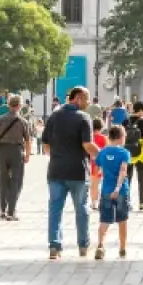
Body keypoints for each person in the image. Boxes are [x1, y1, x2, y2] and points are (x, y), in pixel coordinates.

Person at [44, 85, 98, 260]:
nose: (88, 103)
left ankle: (54, 246)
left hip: (56, 171)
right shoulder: (83, 118)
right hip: (78, 171)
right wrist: (102, 154)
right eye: (87, 99)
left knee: (55, 209)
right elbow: (87, 145)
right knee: (81, 209)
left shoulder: (54, 116)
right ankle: (83, 245)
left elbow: (46, 145)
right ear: (79, 97)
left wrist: (57, 156)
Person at [0, 95, 32, 220]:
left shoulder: (0, 119)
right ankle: (11, 211)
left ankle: (3, 209)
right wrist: (28, 155)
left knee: (3, 179)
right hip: (17, 151)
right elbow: (28, 140)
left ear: (8, 105)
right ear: (19, 106)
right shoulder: (23, 121)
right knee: (16, 180)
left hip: (2, 150)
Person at [95, 125, 132, 259]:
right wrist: (117, 188)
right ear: (121, 137)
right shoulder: (124, 153)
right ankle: (122, 248)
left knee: (104, 220)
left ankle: (100, 245)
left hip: (106, 190)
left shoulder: (102, 153)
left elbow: (99, 170)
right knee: (122, 220)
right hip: (121, 191)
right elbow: (123, 171)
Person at [124, 100, 143, 209]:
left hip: (127, 152)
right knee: (141, 178)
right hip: (140, 152)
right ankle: (141, 202)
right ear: (141, 111)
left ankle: (126, 202)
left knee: (127, 178)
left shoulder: (125, 121)